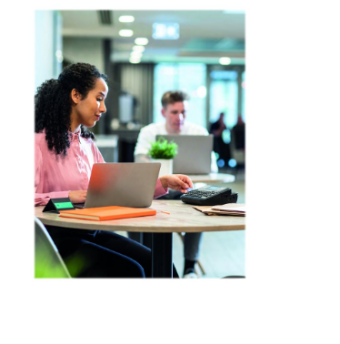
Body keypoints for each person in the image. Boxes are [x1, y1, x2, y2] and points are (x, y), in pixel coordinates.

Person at [35, 63, 193, 278]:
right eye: (99, 98)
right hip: (54, 240)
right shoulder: (37, 144)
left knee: (160, 264)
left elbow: (113, 192)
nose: (103, 108)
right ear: (76, 95)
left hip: (91, 231)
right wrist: (68, 197)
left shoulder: (87, 144)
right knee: (133, 271)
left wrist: (162, 182)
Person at [133, 90, 218, 278]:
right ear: (163, 112)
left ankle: (189, 268)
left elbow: (212, 166)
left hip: (186, 190)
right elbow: (140, 161)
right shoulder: (150, 132)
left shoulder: (198, 132)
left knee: (200, 204)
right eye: (174, 112)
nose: (180, 117)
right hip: (157, 191)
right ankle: (143, 260)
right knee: (134, 202)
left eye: (183, 112)